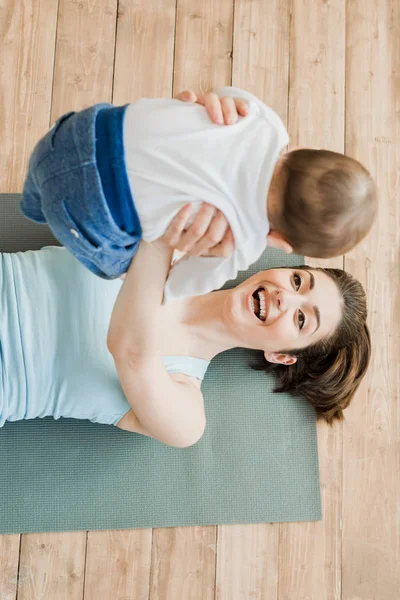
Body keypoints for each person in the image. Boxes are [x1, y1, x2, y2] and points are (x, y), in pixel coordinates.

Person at [0, 232, 371, 447]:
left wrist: (162, 239)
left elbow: (130, 351)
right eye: (296, 281)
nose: (285, 298)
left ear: (281, 355)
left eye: (301, 318)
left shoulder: (186, 414)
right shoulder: (179, 246)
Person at [20, 88, 377, 303]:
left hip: (84, 131)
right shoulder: (241, 242)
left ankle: (32, 201)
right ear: (284, 243)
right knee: (124, 270)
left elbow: (224, 93)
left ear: (305, 148)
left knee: (42, 177)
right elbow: (182, 283)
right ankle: (38, 211)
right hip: (92, 211)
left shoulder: (264, 122)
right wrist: (162, 282)